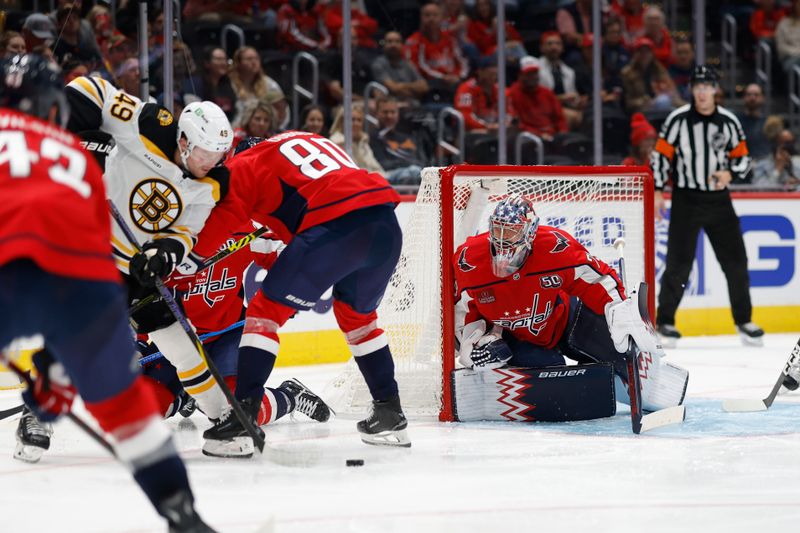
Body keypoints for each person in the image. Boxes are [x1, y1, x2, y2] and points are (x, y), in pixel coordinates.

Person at [0, 53, 213, 532]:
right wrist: (61, 363)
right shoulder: (76, 157)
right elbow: (85, 260)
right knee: (124, 405)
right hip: (83, 284)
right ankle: (179, 507)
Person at [183, 131, 410, 455]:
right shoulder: (303, 142)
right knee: (358, 318)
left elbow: (227, 217)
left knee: (262, 313)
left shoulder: (243, 164)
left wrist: (191, 259)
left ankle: (242, 421)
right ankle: (390, 412)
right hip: (385, 223)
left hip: (335, 226)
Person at [64, 74, 238, 441]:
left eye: (219, 155)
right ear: (185, 141)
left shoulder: (213, 183)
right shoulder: (148, 123)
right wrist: (71, 132)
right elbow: (89, 88)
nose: (212, 162)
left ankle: (224, 416)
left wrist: (164, 254)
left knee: (182, 344)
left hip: (134, 269)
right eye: (206, 154)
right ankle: (35, 420)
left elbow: (185, 232)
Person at [453, 195, 688, 416]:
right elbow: (458, 311)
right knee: (558, 379)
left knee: (620, 351)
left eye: (512, 232)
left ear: (530, 232)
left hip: (566, 319)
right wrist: (473, 345)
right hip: (519, 341)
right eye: (498, 228)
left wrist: (618, 309)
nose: (503, 238)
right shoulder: (468, 260)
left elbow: (598, 278)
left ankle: (637, 379)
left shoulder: (555, 246)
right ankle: (597, 380)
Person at [651, 65, 764, 347]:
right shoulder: (677, 120)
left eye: (707, 86)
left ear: (715, 89)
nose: (702, 92)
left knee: (736, 261)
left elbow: (743, 158)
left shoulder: (728, 121)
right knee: (679, 263)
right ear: (692, 89)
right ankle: (665, 322)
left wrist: (730, 173)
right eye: (697, 86)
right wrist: (656, 190)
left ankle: (744, 320)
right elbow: (660, 157)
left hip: (718, 200)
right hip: (686, 198)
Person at [406, 2, 470, 104]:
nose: (431, 19)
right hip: (431, 84)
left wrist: (459, 76)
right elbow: (419, 67)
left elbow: (462, 61)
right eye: (427, 15)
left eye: (435, 15)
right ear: (421, 18)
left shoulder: (450, 38)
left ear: (441, 18)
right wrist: (442, 77)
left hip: (453, 81)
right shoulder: (414, 40)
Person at [506, 56, 567, 142]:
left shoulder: (547, 93)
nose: (532, 77)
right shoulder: (512, 94)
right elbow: (515, 123)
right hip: (528, 138)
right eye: (528, 74)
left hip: (552, 136)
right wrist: (538, 134)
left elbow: (559, 118)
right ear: (520, 75)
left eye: (534, 73)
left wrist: (562, 132)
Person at [369, 95, 425, 185]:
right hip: (389, 177)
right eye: (385, 112)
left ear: (398, 114)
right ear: (377, 114)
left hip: (414, 174)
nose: (389, 116)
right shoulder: (372, 137)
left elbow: (421, 161)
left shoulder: (407, 137)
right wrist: (408, 163)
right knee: (411, 172)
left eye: (392, 112)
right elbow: (383, 164)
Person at [370, 30, 430, 107]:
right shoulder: (378, 63)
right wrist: (413, 90)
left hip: (411, 105)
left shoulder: (407, 64)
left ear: (402, 44)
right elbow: (394, 87)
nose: (393, 45)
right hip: (389, 107)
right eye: (390, 41)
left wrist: (401, 86)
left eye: (397, 41)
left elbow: (424, 87)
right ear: (384, 44)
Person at [328, 102, 385, 174]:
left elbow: (376, 167)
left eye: (359, 120)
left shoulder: (363, 141)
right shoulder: (335, 143)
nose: (356, 124)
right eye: (352, 120)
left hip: (377, 179)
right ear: (341, 122)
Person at [736, 83, 772, 161]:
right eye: (749, 94)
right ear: (744, 97)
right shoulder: (735, 122)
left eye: (756, 95)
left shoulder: (769, 123)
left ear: (763, 97)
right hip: (741, 165)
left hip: (764, 165)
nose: (752, 98)